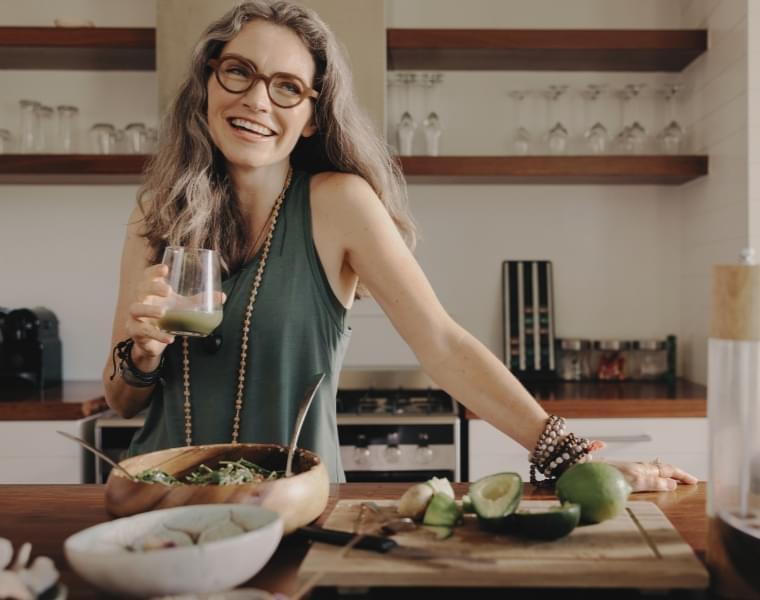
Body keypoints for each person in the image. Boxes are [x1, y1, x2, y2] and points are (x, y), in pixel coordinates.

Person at [103, 0, 698, 491]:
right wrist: (141, 355)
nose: (257, 100)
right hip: (154, 501)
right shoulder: (156, 213)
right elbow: (122, 398)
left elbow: (443, 345)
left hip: (288, 505)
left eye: (287, 87)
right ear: (210, 80)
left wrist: (570, 454)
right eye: (239, 72)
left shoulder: (339, 203)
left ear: (312, 116)